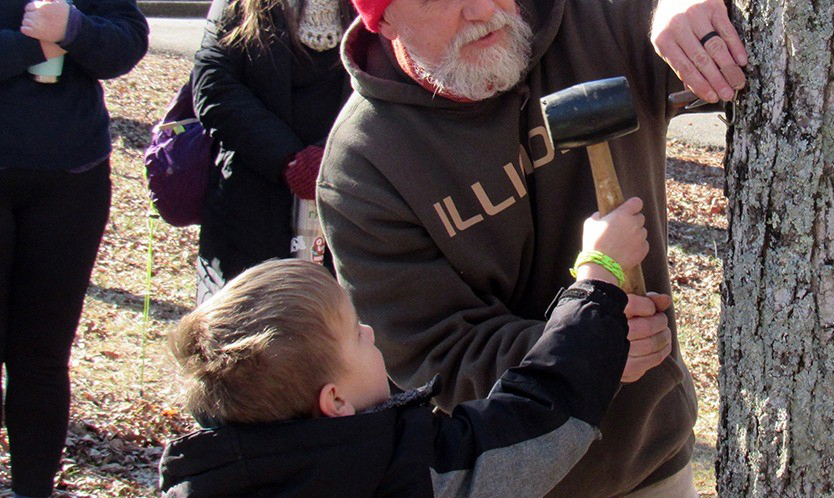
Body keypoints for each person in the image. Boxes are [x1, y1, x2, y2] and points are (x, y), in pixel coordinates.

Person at [318, 0, 748, 496]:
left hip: (651, 456)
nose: (481, 7)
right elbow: (430, 354)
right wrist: (588, 347)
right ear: (383, 20)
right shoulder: (364, 167)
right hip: (516, 476)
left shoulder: (595, 17)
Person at [159, 192, 646, 497]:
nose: (369, 332)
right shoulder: (403, 472)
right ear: (335, 402)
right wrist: (598, 276)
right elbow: (539, 415)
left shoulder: (205, 476)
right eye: (355, 333)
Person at [0, 0, 149, 496]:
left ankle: (34, 486)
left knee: (41, 353)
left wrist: (76, 29)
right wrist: (36, 45)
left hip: (71, 180)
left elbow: (128, 40)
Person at [192, 0, 353, 303]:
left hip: (352, 191)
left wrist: (331, 154)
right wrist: (288, 160)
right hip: (253, 200)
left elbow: (389, 77)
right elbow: (212, 85)